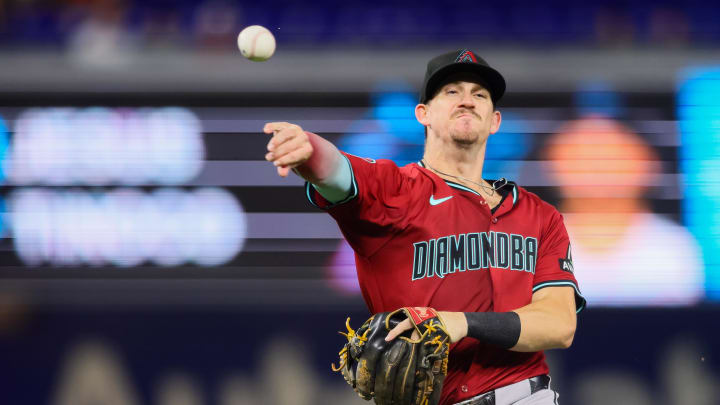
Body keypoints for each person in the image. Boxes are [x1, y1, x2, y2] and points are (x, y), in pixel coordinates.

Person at [263, 49, 585, 405]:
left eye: (479, 94)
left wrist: (461, 323)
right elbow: (337, 171)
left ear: (494, 120)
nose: (466, 100)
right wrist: (308, 149)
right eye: (451, 91)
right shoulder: (393, 189)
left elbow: (559, 323)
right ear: (423, 114)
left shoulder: (540, 215)